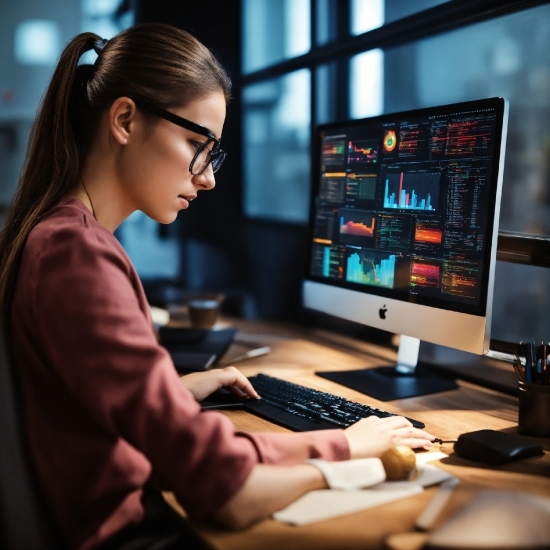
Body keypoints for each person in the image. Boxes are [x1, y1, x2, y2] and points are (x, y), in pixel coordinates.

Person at [0, 23, 434, 550]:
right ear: (124, 120)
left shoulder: (59, 235)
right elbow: (229, 493)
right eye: (196, 144)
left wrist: (172, 393)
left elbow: (78, 411)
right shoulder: (76, 254)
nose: (207, 178)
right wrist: (347, 450)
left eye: (213, 153)